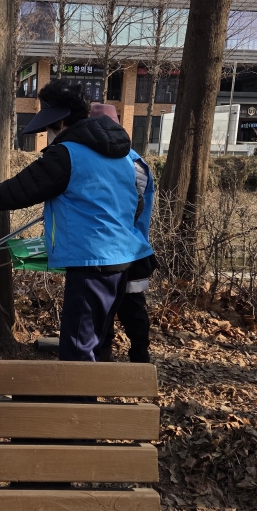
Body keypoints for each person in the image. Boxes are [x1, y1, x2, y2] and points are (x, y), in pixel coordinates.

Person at [0, 80, 152, 362]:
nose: (49, 133)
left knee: (78, 344)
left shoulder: (67, 154)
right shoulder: (123, 154)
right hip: (124, 257)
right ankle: (92, 399)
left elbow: (18, 190)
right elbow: (138, 201)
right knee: (98, 338)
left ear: (61, 120)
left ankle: (75, 403)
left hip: (92, 261)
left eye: (50, 126)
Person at [90, 104, 157, 363]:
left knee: (110, 307)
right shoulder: (135, 160)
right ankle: (138, 357)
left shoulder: (125, 163)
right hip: (135, 247)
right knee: (133, 306)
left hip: (118, 249)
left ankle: (114, 358)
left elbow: (130, 207)